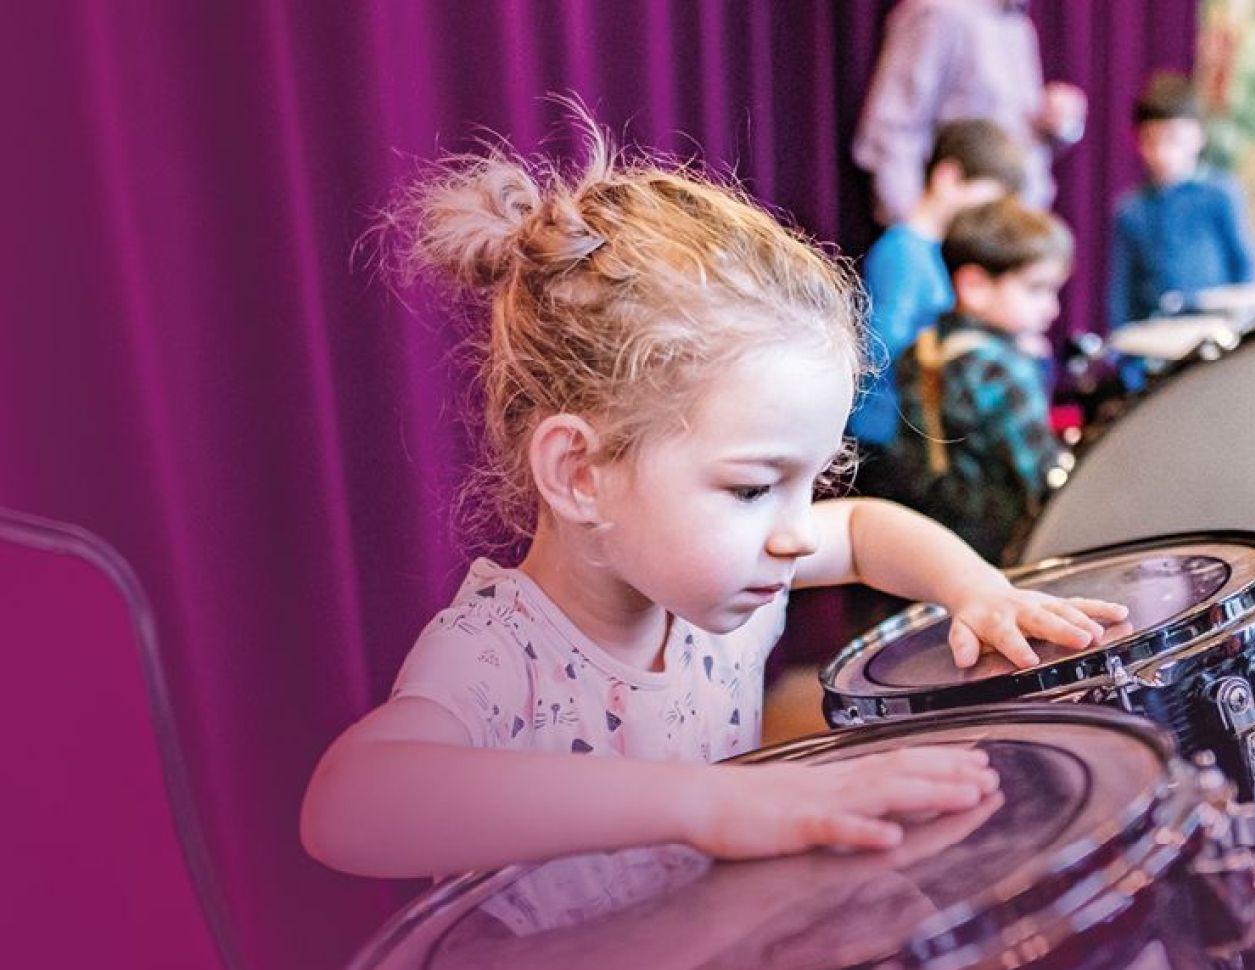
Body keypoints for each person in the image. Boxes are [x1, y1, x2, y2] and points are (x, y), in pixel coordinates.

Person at [299, 116, 1127, 882]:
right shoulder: (499, 658)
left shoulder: (725, 574)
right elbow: (351, 805)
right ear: (581, 473)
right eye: (754, 488)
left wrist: (978, 589)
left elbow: (864, 527)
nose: (796, 535)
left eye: (813, 481)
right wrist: (709, 805)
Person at [887, 197, 1071, 565]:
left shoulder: (920, 350)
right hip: (1005, 552)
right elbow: (1043, 475)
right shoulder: (1000, 368)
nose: (1052, 308)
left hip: (933, 546)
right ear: (974, 286)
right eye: (1036, 289)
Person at [853, 119, 1027, 493]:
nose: (989, 216)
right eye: (986, 201)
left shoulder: (934, 252)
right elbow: (883, 347)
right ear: (948, 178)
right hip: (887, 431)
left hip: (911, 428)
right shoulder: (903, 251)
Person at [852, 0, 1086, 223]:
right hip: (961, 231)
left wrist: (1056, 125)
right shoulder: (940, 12)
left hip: (1017, 223)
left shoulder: (1018, 26)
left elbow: (1013, 137)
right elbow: (895, 128)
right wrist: (911, 228)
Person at [1107, 72, 1255, 332]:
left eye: (1173, 139)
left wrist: (1242, 324)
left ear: (1198, 137)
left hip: (1215, 329)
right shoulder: (1131, 207)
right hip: (1157, 332)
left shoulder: (1220, 193)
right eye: (1151, 141)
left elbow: (1245, 265)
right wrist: (1123, 336)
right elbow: (1122, 289)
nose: (1162, 152)